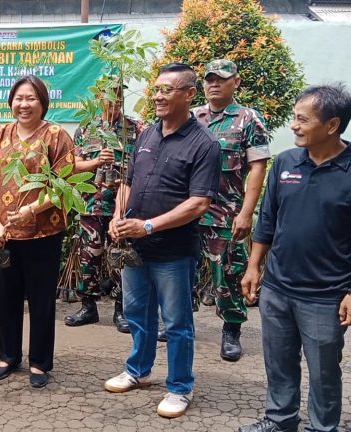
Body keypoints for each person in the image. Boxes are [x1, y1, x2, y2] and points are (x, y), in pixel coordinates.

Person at [104, 63, 220, 418]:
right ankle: (138, 371)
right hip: (135, 249)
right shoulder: (146, 135)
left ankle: (179, 387)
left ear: (188, 94)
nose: (157, 95)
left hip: (172, 252)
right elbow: (127, 182)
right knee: (138, 313)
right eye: (156, 89)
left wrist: (149, 226)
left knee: (177, 323)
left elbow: (199, 202)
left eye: (167, 89)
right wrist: (117, 217)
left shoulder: (204, 144)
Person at [239, 84, 351, 432]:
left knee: (323, 370)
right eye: (294, 117)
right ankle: (280, 420)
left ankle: (323, 427)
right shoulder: (286, 161)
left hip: (326, 295)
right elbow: (268, 219)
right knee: (279, 363)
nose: (294, 125)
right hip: (277, 287)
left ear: (331, 125)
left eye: (302, 119)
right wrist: (254, 266)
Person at [0, 75, 74, 389]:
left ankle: (39, 362)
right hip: (4, 234)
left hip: (43, 233)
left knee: (41, 299)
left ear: (43, 102)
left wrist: (32, 209)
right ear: (11, 101)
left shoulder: (57, 135)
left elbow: (64, 186)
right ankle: (8, 356)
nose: (24, 104)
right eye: (19, 98)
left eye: (31, 98)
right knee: (5, 298)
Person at [191, 60, 270, 362]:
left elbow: (257, 166)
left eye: (221, 80)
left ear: (235, 82)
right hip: (189, 212)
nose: (213, 84)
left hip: (226, 214)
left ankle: (231, 330)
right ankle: (182, 323)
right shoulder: (192, 117)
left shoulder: (248, 119)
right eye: (209, 79)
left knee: (229, 273)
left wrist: (247, 212)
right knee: (184, 271)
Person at [67, 83, 142, 333]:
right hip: (92, 203)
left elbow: (145, 164)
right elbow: (72, 166)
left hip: (124, 204)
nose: (114, 101)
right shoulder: (87, 128)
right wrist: (97, 161)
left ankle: (122, 310)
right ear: (99, 98)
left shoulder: (135, 128)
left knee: (121, 256)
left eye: (119, 96)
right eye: (109, 97)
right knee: (89, 255)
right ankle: (88, 307)